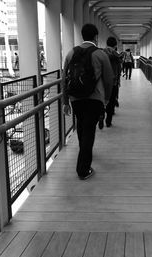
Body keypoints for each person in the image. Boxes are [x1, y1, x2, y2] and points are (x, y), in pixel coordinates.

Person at [62, 23, 114, 180]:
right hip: (94, 98)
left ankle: (83, 152)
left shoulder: (71, 53)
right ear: (96, 37)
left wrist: (65, 101)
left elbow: (65, 79)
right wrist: (106, 99)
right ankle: (83, 169)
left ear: (82, 35)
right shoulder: (100, 54)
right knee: (89, 131)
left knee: (81, 126)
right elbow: (109, 79)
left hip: (76, 98)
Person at [100, 36, 122, 128]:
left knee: (101, 100)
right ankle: (108, 120)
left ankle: (100, 115)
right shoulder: (116, 55)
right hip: (112, 81)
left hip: (101, 81)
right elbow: (119, 68)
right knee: (111, 100)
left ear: (106, 43)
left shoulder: (101, 53)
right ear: (115, 45)